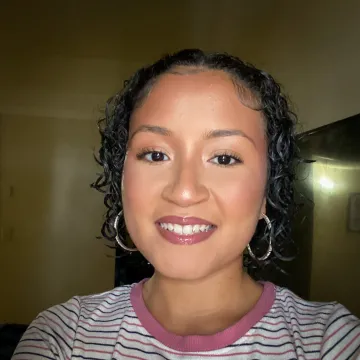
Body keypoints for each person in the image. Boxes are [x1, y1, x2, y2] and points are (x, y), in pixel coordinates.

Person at [13, 49, 360, 359]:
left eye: (224, 158)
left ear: (267, 191)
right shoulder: (63, 339)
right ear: (121, 178)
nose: (183, 191)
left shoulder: (329, 342)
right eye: (155, 154)